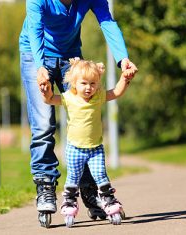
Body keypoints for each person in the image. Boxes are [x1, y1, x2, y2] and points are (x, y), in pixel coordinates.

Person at [19, 0, 138, 227]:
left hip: (71, 57)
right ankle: (45, 186)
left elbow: (107, 21)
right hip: (34, 53)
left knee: (84, 114)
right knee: (43, 124)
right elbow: (35, 28)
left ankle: (89, 189)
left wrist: (122, 58)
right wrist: (40, 66)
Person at [38, 58, 137, 227]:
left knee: (100, 176)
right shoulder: (68, 97)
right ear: (74, 83)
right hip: (74, 149)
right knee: (73, 178)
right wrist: (46, 91)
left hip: (95, 149)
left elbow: (117, 92)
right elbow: (49, 100)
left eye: (93, 83)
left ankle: (109, 201)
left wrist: (125, 79)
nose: (89, 87)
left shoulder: (98, 97)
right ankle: (69, 203)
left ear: (98, 84)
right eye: (84, 83)